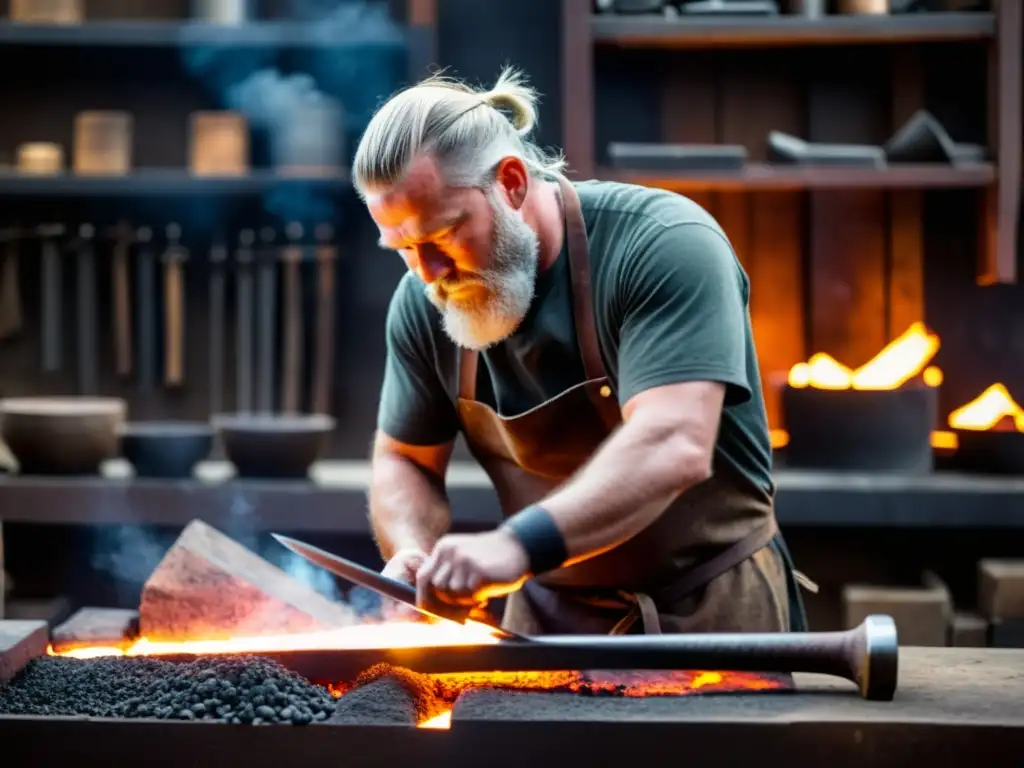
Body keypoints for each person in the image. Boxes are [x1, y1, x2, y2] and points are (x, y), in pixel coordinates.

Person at [352, 66, 809, 635]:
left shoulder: (663, 244)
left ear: (512, 183)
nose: (428, 272)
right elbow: (405, 461)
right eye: (402, 246)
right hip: (547, 624)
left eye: (442, 234)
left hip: (711, 613)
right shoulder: (426, 298)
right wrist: (412, 554)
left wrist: (515, 546)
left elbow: (674, 441)